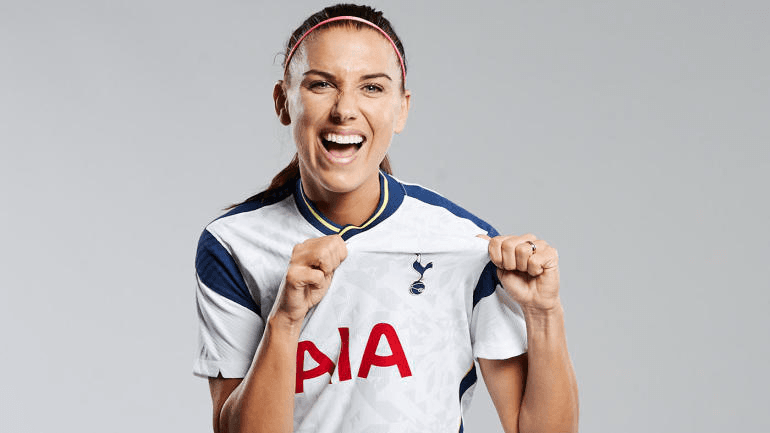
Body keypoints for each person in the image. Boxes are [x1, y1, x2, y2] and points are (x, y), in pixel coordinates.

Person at [193, 4, 578, 432]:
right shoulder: (233, 244)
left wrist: (545, 314)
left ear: (401, 109)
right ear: (284, 102)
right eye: (321, 84)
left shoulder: (462, 243)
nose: (345, 109)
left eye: (372, 88)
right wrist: (285, 319)